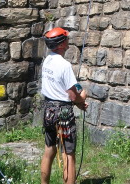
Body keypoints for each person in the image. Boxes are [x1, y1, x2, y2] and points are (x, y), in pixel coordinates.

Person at [40, 27, 88, 184]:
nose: (68, 41)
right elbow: (73, 95)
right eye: (66, 39)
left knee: (49, 149)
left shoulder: (47, 60)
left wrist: (78, 98)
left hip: (48, 109)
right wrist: (82, 100)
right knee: (69, 154)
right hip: (63, 112)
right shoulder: (64, 65)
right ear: (61, 44)